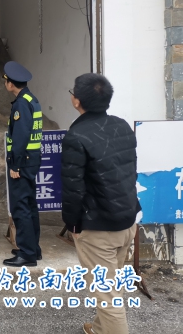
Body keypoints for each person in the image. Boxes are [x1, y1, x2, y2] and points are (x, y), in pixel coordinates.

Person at [61, 73, 140, 334]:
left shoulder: (76, 136)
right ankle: (98, 329)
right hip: (127, 220)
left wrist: (72, 223)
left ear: (77, 101)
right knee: (110, 285)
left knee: (108, 296)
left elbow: (73, 188)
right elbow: (129, 172)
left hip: (99, 228)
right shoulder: (122, 126)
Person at [2, 61, 43, 267]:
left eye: (6, 81)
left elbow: (20, 136)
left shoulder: (21, 104)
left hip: (23, 163)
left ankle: (27, 254)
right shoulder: (31, 99)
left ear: (11, 84)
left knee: (21, 207)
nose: (5, 84)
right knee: (30, 205)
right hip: (31, 161)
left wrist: (15, 165)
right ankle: (33, 248)